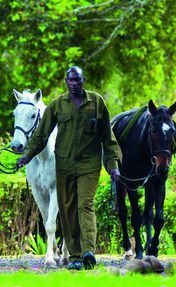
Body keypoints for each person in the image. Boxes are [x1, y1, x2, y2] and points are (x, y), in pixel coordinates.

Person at [17, 66, 121, 270]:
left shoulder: (97, 102)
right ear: (66, 81)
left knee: (85, 204)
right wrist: (27, 156)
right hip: (64, 165)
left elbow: (108, 138)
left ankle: (87, 251)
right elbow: (41, 135)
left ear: (83, 80)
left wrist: (113, 166)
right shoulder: (57, 105)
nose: (74, 84)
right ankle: (73, 257)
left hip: (89, 165)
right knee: (68, 209)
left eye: (78, 80)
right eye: (71, 80)